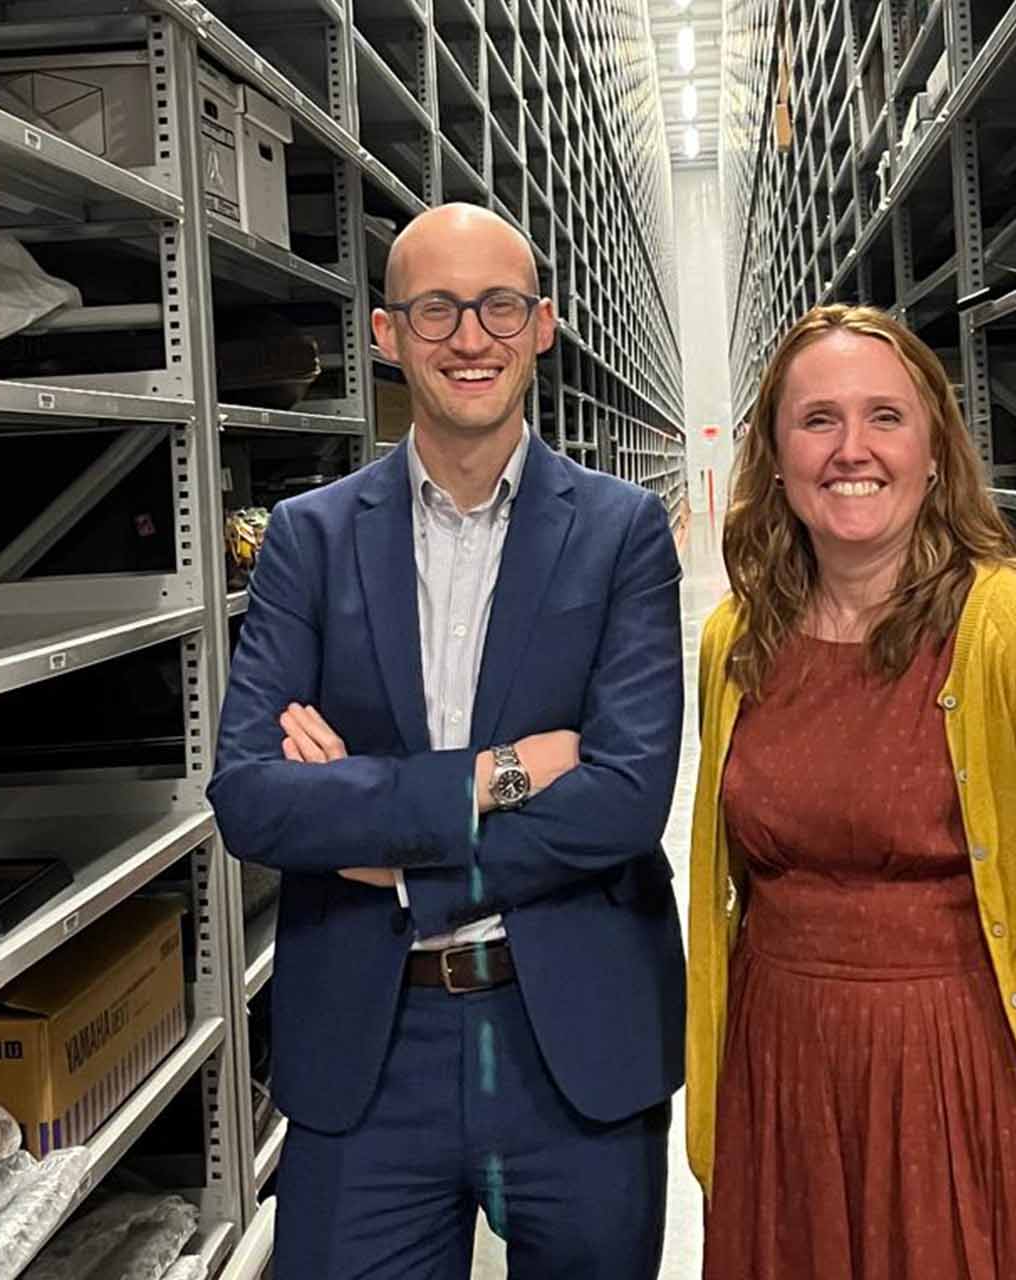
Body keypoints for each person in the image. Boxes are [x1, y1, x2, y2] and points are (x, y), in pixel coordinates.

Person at [209, 202, 686, 1279]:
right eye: (435, 308)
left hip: (569, 1038)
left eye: (498, 305)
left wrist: (385, 849)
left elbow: (621, 799)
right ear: (385, 333)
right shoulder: (310, 538)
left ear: (542, 324)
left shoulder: (620, 531)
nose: (470, 337)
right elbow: (250, 795)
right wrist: (499, 773)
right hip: (370, 1051)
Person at [685, 305, 1016, 1280]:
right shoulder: (736, 642)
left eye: (886, 416)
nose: (852, 449)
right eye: (817, 419)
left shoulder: (1012, 635)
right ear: (776, 453)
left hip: (974, 1085)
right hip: (786, 1076)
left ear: (933, 451)